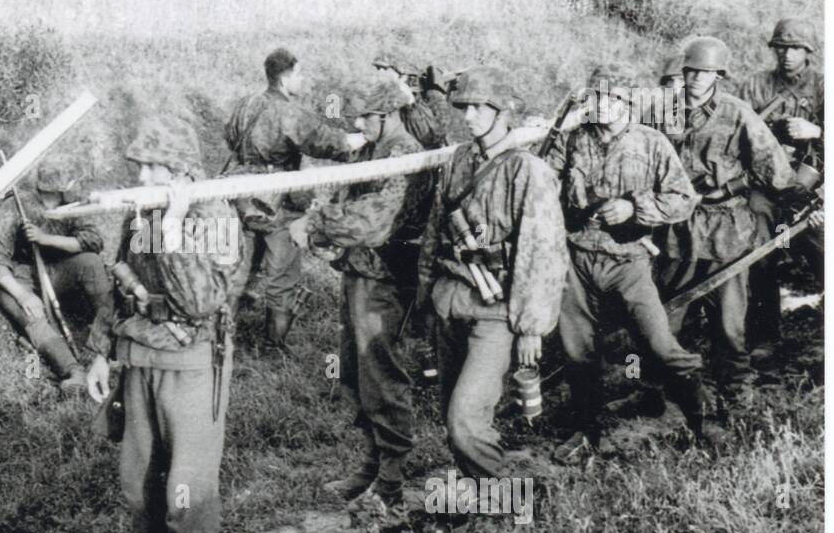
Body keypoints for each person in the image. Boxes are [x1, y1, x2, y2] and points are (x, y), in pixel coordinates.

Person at [86, 115, 242, 533]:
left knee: (185, 484)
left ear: (183, 170)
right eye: (142, 167)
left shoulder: (215, 215)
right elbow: (119, 281)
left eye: (156, 167)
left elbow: (201, 301)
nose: (145, 177)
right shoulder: (140, 215)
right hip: (139, 357)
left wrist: (173, 230)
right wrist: (100, 353)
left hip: (192, 362)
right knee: (138, 480)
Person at [544, 67, 714, 463]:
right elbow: (543, 183)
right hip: (578, 257)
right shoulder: (572, 141)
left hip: (629, 260)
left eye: (610, 97)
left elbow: (683, 199)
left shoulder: (651, 143)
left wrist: (635, 207)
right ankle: (586, 431)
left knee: (657, 344)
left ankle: (702, 423)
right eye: (595, 97)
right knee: (577, 350)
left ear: (627, 102)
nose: (601, 105)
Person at [417, 68, 568, 482]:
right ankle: (475, 489)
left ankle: (501, 497)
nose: (468, 116)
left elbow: (543, 252)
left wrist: (531, 328)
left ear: (503, 112)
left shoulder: (527, 170)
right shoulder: (459, 161)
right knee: (452, 413)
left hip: (497, 308)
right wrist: (425, 297)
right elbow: (435, 231)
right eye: (464, 107)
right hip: (450, 298)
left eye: (479, 107)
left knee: (465, 417)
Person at [291, 83, 431, 509]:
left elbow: (373, 222)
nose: (359, 124)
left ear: (387, 115)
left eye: (367, 117)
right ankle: (372, 462)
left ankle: (390, 477)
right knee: (352, 371)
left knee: (380, 374)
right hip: (357, 271)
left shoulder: (400, 154)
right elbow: (339, 199)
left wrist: (317, 226)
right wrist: (323, 222)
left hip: (385, 277)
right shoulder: (367, 152)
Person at [659, 37, 794, 412]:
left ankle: (736, 396)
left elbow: (776, 169)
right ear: (683, 71)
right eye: (693, 71)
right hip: (677, 232)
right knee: (663, 323)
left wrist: (737, 185)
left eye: (708, 72)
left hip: (726, 234)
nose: (699, 78)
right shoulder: (663, 112)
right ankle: (657, 391)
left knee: (729, 327)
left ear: (719, 75)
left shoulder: (737, 113)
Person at [224, 47, 368, 346]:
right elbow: (327, 142)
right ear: (286, 76)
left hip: (240, 196)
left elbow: (229, 136)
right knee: (283, 275)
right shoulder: (289, 111)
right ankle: (273, 347)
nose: (302, 80)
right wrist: (362, 138)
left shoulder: (245, 104)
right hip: (276, 202)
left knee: (236, 272)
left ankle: (222, 339)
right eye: (299, 74)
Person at [0, 157, 111, 394]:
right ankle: (72, 371)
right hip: (18, 277)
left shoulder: (71, 204)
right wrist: (22, 296)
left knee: (91, 263)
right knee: (33, 316)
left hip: (56, 270)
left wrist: (46, 239)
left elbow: (92, 241)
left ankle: (112, 346)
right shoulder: (16, 205)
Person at [736, 18, 824, 355]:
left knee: (822, 250)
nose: (787, 55)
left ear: (807, 52)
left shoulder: (821, 87)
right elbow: (734, 134)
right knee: (761, 253)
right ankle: (765, 336)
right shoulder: (754, 87)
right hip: (765, 187)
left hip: (811, 188)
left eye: (795, 48)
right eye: (782, 48)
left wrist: (816, 132)